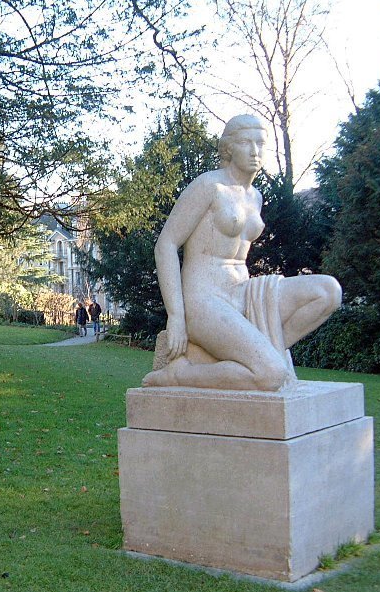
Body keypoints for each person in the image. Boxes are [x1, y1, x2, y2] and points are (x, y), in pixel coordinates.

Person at [142, 114, 342, 391]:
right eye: (246, 143)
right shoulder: (209, 186)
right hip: (205, 299)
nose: (254, 151)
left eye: (260, 144)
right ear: (228, 148)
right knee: (271, 375)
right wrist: (176, 316)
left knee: (328, 292)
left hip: (245, 293)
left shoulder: (255, 197)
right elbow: (165, 244)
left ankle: (265, 353)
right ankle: (180, 375)